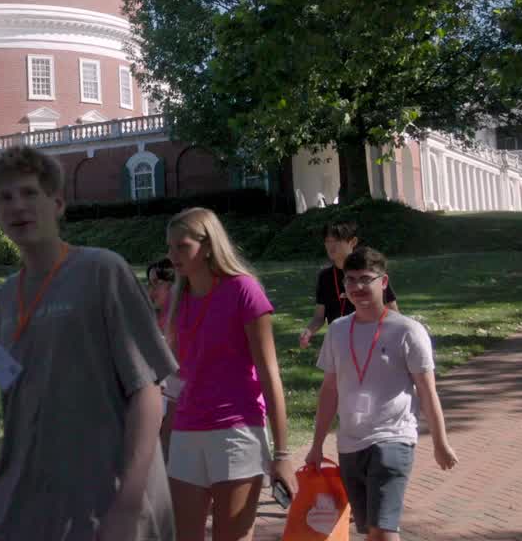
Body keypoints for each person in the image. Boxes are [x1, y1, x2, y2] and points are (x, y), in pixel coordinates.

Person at [0, 146, 177, 541]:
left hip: (109, 499)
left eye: (30, 193)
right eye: (5, 198)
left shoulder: (102, 271)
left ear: (58, 203)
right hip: (34, 501)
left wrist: (128, 504)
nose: (18, 207)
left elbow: (148, 391)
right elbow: (14, 410)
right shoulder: (6, 298)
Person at [306, 247, 458, 541]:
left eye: (366, 279)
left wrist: (441, 442)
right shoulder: (337, 330)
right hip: (350, 444)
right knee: (370, 531)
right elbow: (329, 392)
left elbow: (427, 392)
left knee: (385, 530)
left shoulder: (407, 331)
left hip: (393, 440)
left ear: (383, 282)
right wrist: (316, 445)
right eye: (350, 280)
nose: (358, 287)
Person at [164, 207, 297, 541]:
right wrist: (162, 439)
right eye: (169, 247)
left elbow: (270, 375)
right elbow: (176, 378)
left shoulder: (243, 290)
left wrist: (282, 454)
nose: (172, 255)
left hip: (236, 433)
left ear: (207, 246)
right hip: (186, 432)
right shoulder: (177, 301)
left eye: (182, 246)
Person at [299, 221, 399, 349]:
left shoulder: (370, 273)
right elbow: (319, 316)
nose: (331, 247)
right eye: (327, 241)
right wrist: (308, 331)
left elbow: (393, 311)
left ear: (353, 242)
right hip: (341, 341)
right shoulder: (325, 277)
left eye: (336, 241)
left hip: (372, 340)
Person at [146, 257, 175, 333]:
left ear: (173, 285)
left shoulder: (180, 321)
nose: (151, 289)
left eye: (157, 283)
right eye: (150, 283)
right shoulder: (149, 319)